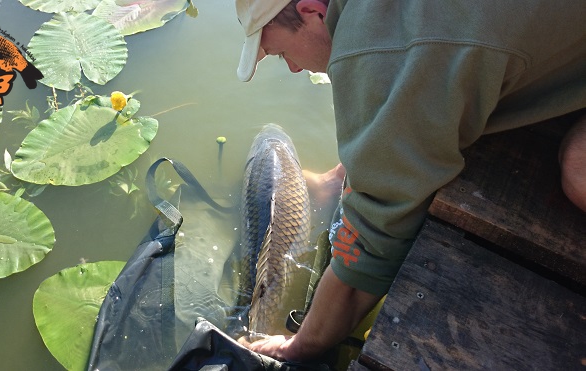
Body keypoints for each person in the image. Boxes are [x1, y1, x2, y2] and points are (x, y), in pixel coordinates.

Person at [234, 0, 586, 363]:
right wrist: (348, 172)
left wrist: (301, 345)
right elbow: (404, 90)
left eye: (281, 52)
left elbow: (367, 257)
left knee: (579, 169)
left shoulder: (383, 56)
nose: (293, 67)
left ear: (312, 11)